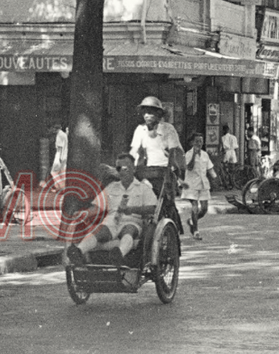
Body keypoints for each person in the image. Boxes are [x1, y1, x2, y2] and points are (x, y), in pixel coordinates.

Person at [66, 152, 158, 288]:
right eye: (119, 168)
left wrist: (132, 209)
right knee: (100, 230)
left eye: (125, 168)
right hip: (112, 221)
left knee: (128, 231)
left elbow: (152, 208)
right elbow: (97, 207)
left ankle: (118, 254)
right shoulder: (112, 187)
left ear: (133, 169)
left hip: (132, 220)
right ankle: (78, 252)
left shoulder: (144, 188)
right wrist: (84, 213)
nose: (122, 172)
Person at [128, 96, 184, 231]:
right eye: (145, 112)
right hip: (146, 170)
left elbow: (173, 151)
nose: (147, 116)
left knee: (166, 201)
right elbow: (134, 150)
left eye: (151, 112)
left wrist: (171, 172)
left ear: (158, 114)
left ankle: (172, 228)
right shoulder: (140, 130)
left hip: (164, 170)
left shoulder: (167, 129)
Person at [181, 132, 215, 239]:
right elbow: (189, 167)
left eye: (201, 141)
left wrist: (214, 177)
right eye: (197, 141)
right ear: (192, 142)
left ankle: (192, 221)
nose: (199, 143)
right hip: (191, 184)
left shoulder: (205, 154)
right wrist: (194, 155)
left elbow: (210, 168)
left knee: (204, 209)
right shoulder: (188, 154)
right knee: (195, 206)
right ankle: (196, 231)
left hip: (203, 184)